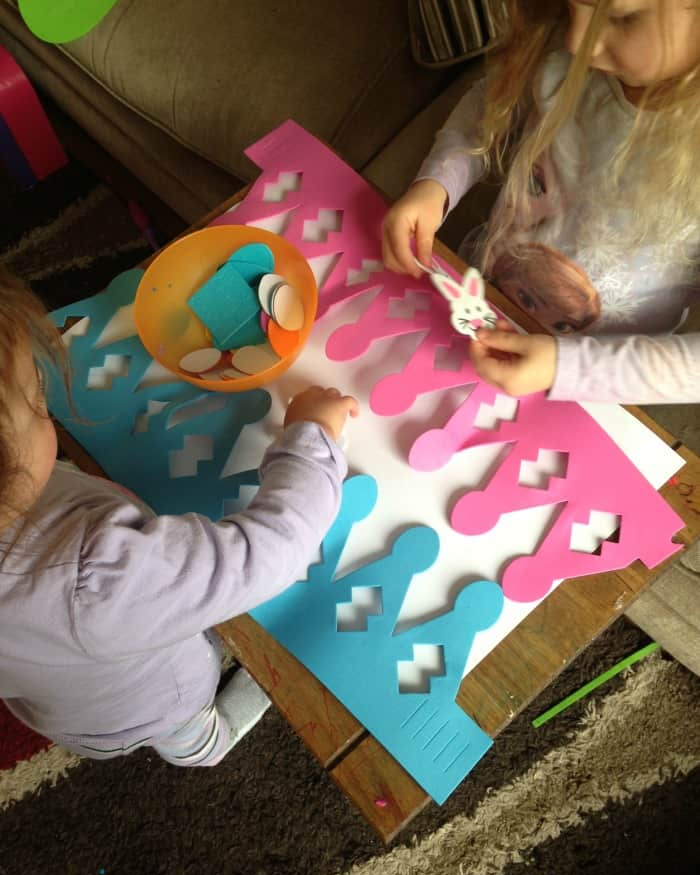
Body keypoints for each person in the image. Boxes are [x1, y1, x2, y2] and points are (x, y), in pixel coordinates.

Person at [0, 266, 358, 767]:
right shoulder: (94, 580)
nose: (46, 392)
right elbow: (268, 553)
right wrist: (312, 440)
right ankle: (208, 744)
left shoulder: (19, 502)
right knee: (188, 732)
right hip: (149, 704)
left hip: (56, 696)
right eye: (37, 399)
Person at [382, 0, 700, 404]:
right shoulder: (560, 47)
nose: (576, 38)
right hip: (481, 295)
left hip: (598, 378)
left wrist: (566, 369)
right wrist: (437, 184)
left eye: (621, 17)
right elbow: (493, 103)